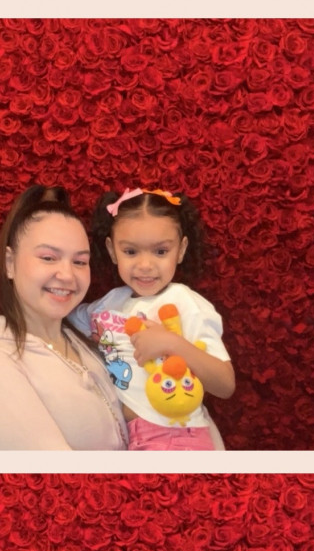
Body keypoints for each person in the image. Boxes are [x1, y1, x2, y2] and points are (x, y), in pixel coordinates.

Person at [0, 184, 127, 452]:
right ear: (10, 263)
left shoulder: (91, 339)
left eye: (80, 262)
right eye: (48, 258)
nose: (67, 275)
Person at [73, 187, 235, 451]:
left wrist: (172, 343)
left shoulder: (184, 302)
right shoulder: (107, 305)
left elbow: (225, 384)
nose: (145, 265)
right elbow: (59, 320)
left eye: (160, 252)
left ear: (180, 250)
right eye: (131, 252)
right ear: (112, 250)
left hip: (177, 438)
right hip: (127, 438)